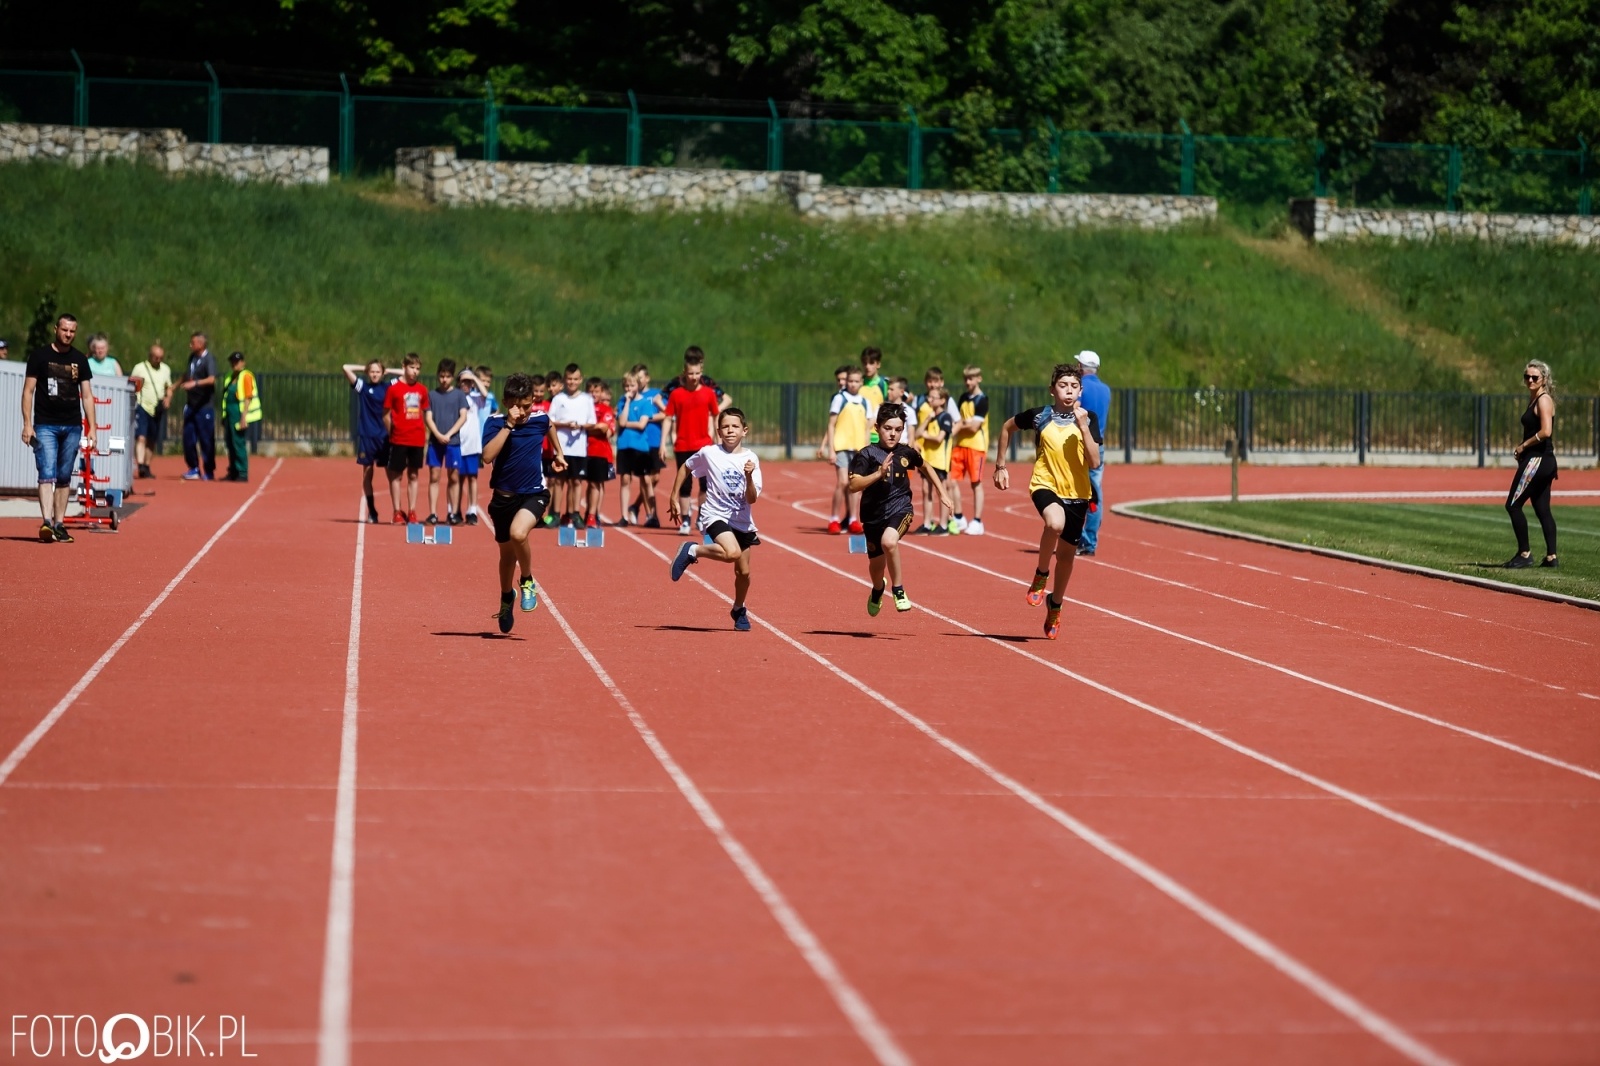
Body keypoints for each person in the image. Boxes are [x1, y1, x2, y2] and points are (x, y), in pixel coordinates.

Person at [992, 363, 1103, 640]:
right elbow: (1007, 428)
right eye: (1063, 385)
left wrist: (1084, 427)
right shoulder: (1040, 416)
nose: (1068, 391)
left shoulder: (1089, 418)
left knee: (1066, 559)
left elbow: (1095, 461)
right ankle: (1041, 574)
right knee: (1054, 523)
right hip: (1045, 484)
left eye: (1074, 386)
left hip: (1077, 493)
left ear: (1080, 390)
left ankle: (1056, 604)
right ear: (1052, 389)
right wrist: (1000, 465)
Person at [848, 405, 954, 616]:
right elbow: (853, 486)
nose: (893, 433)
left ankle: (898, 590)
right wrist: (878, 474)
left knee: (889, 541)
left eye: (898, 429)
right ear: (877, 428)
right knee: (876, 567)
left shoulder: (906, 451)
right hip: (872, 516)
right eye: (888, 428)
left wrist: (942, 492)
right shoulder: (866, 455)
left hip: (900, 508)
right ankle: (878, 589)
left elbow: (926, 466)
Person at [482, 373, 566, 634]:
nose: (524, 411)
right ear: (507, 402)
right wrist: (509, 425)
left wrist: (559, 453)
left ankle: (527, 580)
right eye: (518, 406)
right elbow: (487, 456)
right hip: (503, 499)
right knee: (506, 557)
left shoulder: (538, 418)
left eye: (528, 405)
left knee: (519, 534)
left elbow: (549, 425)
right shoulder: (495, 423)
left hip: (534, 494)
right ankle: (507, 598)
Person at [669, 408, 762, 632]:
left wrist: (749, 476)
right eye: (726, 427)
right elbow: (685, 467)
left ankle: (739, 609)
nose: (730, 430)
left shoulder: (751, 459)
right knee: (731, 553)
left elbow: (752, 498)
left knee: (744, 573)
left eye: (735, 427)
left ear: (744, 431)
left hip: (742, 520)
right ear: (719, 431)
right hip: (715, 514)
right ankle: (693, 551)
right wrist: (673, 495)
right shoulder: (709, 453)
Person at [21, 313, 95, 543]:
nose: (68, 334)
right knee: (46, 473)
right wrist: (27, 424)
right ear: (56, 329)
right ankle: (46, 522)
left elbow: (87, 396)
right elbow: (28, 391)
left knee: (64, 476)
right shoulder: (40, 356)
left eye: (72, 331)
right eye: (64, 330)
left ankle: (59, 524)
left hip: (72, 425)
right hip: (45, 425)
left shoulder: (80, 360)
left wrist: (93, 428)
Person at [659, 353, 722, 535]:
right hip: (683, 445)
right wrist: (663, 443)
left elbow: (716, 414)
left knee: (705, 484)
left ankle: (701, 515)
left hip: (704, 445)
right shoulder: (676, 394)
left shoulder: (709, 394)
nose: (693, 377)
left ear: (701, 372)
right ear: (684, 373)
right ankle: (685, 518)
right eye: (690, 373)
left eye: (697, 373)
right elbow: (668, 418)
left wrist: (718, 440)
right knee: (685, 485)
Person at [1505, 360, 1559, 569]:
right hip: (1543, 460)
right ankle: (1551, 557)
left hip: (1537, 460)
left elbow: (1546, 431)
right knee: (1542, 509)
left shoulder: (1543, 400)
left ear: (1544, 379)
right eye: (1526, 377)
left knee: (1513, 505)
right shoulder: (1534, 398)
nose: (1529, 380)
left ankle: (1524, 553)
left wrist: (1523, 446)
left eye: (1534, 377)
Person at [343, 358, 401, 522]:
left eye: (378, 372)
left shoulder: (388, 386)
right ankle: (372, 511)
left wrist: (388, 370)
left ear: (382, 373)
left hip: (384, 437)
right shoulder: (363, 387)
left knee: (391, 474)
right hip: (367, 436)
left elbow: (406, 374)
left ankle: (396, 510)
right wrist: (365, 367)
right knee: (367, 474)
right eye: (372, 372)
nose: (375, 375)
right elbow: (346, 367)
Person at [817, 366, 870, 534]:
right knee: (842, 482)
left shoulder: (864, 402)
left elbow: (867, 428)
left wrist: (867, 451)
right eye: (850, 381)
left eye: (856, 381)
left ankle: (854, 518)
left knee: (855, 485)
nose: (853, 384)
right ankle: (833, 519)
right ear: (846, 382)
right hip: (841, 447)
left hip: (858, 448)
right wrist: (831, 449)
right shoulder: (840, 399)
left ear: (861, 383)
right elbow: (831, 425)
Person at [548, 362, 597, 527]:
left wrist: (580, 425)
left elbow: (592, 422)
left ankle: (574, 513)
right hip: (561, 447)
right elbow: (550, 421)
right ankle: (555, 513)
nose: (572, 382)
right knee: (558, 481)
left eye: (575, 379)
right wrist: (565, 424)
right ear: (564, 379)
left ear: (581, 379)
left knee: (576, 481)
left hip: (578, 448)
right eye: (569, 379)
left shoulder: (586, 399)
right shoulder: (558, 399)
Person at [383, 353, 430, 523]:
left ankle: (412, 511)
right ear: (404, 366)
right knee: (396, 475)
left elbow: (424, 414)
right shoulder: (393, 389)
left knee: (414, 475)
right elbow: (386, 415)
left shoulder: (422, 390)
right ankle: (396, 510)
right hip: (399, 438)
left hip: (416, 438)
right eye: (412, 367)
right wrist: (392, 431)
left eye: (418, 368)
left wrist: (425, 435)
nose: (415, 371)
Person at [423, 359, 470, 525]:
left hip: (453, 442)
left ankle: (453, 512)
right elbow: (428, 417)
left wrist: (449, 434)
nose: (444, 380)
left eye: (448, 376)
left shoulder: (459, 395)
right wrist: (437, 434)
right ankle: (433, 513)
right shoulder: (432, 395)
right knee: (434, 476)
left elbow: (463, 416)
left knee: (454, 477)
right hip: (435, 443)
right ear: (438, 376)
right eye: (441, 376)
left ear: (452, 377)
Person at [1075, 350, 1111, 557]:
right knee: (1095, 493)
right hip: (1099, 445)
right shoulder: (1106, 390)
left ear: (1081, 367)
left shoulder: (1081, 388)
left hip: (1082, 444)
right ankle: (1089, 539)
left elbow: (1074, 410)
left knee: (1076, 492)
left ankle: (1083, 540)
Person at [948, 364, 990, 535]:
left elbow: (974, 427)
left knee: (976, 483)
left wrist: (963, 424)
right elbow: (959, 420)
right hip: (960, 444)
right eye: (965, 378)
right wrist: (965, 423)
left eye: (971, 378)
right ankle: (958, 517)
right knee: (950, 481)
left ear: (979, 378)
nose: (967, 382)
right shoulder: (963, 397)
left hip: (976, 446)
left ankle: (978, 521)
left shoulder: (982, 400)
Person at [129, 343, 174, 479]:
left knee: (152, 439)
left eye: (161, 358)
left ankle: (147, 466)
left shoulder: (166, 369)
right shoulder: (140, 368)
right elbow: (131, 384)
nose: (158, 360)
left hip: (157, 408)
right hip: (142, 405)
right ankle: (141, 464)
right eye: (156, 358)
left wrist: (168, 398)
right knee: (141, 437)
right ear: (150, 356)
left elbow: (169, 387)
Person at [178, 332, 218, 481]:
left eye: (192, 343)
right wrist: (174, 387)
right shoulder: (192, 358)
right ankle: (193, 468)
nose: (190, 345)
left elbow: (211, 379)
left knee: (206, 440)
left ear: (201, 344)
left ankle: (208, 470)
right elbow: (186, 375)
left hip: (204, 407)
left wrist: (195, 383)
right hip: (191, 405)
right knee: (188, 438)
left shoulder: (209, 359)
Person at [916, 385, 955, 534]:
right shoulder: (931, 416)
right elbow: (918, 433)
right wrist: (927, 419)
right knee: (926, 490)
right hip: (928, 459)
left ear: (942, 400)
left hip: (940, 460)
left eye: (933, 397)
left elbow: (939, 439)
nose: (929, 400)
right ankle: (927, 522)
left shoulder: (945, 417)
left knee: (941, 491)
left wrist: (926, 436)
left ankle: (944, 524)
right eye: (929, 397)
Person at [458, 367, 492, 525]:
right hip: (457, 442)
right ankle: (455, 509)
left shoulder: (476, 398)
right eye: (463, 381)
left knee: (472, 478)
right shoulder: (455, 397)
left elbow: (485, 393)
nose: (466, 384)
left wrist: (473, 378)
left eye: (468, 382)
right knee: (457, 478)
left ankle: (471, 509)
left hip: (472, 444)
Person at [221, 351, 261, 482]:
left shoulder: (246, 376)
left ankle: (242, 472)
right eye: (233, 362)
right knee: (230, 443)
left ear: (243, 362)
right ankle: (232, 471)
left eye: (237, 361)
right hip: (229, 414)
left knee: (238, 443)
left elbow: (248, 397)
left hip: (239, 413)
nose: (235, 364)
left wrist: (243, 417)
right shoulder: (229, 376)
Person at [585, 377, 617, 526]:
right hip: (583, 450)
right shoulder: (583, 407)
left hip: (599, 451)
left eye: (596, 391)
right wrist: (593, 427)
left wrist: (586, 427)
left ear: (601, 392)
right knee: (585, 484)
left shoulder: (605, 409)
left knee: (596, 484)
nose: (593, 394)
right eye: (590, 391)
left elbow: (604, 429)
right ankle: (587, 513)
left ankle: (593, 514)